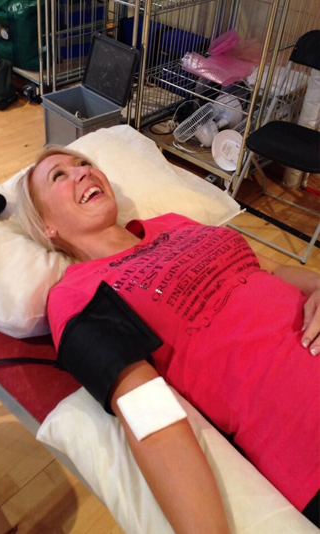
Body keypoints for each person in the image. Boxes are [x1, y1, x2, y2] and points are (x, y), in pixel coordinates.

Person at [17, 146, 320, 534]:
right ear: (47, 225)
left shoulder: (174, 223)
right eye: (58, 176)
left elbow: (271, 269)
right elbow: (148, 410)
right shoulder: (77, 294)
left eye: (84, 163)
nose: (82, 172)